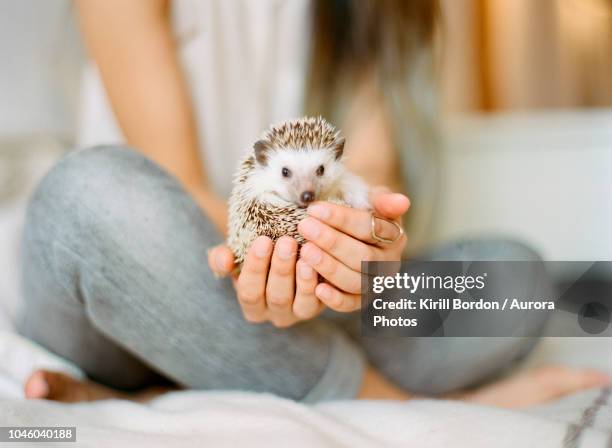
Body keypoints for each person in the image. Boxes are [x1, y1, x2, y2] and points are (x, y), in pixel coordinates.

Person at [19, 0, 608, 406]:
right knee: (91, 192)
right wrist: (273, 267)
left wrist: (363, 246)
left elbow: (366, 178)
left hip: (294, 292)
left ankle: (185, 384)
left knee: (513, 279)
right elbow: (185, 187)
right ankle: (383, 405)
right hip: (136, 281)